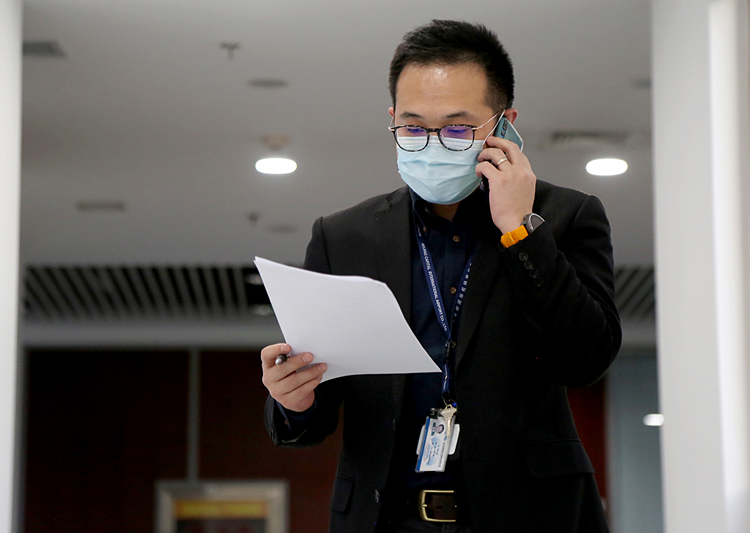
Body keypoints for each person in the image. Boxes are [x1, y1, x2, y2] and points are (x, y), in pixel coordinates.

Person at [260, 19, 621, 533]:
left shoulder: (565, 217)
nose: (432, 144)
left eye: (456, 128)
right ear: (392, 119)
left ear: (503, 125)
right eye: (412, 127)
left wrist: (520, 230)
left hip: (532, 516)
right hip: (385, 518)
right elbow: (314, 414)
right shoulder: (343, 237)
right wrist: (293, 401)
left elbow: (587, 359)